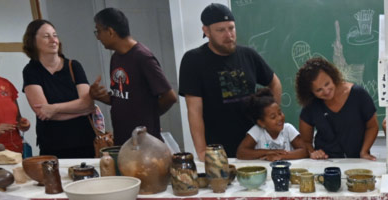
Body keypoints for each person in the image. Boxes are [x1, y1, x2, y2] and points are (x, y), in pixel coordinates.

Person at [179, 3, 281, 158]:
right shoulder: (193, 60)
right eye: (220, 30)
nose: (228, 35)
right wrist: (201, 151)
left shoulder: (248, 55)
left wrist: (270, 118)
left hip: (254, 146)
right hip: (219, 150)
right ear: (206, 31)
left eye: (231, 28)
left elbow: (275, 83)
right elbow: (194, 110)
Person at [89, 8, 178, 145]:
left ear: (111, 31)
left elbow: (170, 97)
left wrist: (149, 117)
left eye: (99, 31)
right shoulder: (116, 58)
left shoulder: (142, 57)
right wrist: (101, 96)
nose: (98, 36)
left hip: (144, 144)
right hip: (123, 140)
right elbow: (124, 97)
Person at [21, 19, 96, 158]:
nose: (53, 40)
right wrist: (80, 110)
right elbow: (43, 112)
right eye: (46, 36)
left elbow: (87, 103)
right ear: (33, 41)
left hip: (84, 140)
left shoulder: (74, 66)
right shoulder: (31, 71)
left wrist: (54, 108)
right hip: (52, 144)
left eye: (55, 35)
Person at [295, 57, 379, 160]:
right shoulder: (311, 104)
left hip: (357, 161)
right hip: (325, 163)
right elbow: (306, 141)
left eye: (327, 84)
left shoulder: (358, 94)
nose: (326, 91)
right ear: (310, 92)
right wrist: (312, 153)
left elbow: (372, 126)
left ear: (332, 76)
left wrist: (364, 151)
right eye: (319, 90)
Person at [236, 88, 308, 161]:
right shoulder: (257, 131)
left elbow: (304, 151)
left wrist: (280, 157)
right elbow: (241, 153)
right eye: (273, 117)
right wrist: (269, 152)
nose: (279, 118)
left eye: (280, 113)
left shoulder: (288, 129)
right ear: (261, 123)